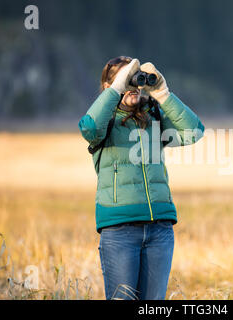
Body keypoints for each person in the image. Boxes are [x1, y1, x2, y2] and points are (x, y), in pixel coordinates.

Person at [78, 56, 205, 300]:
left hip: (160, 227)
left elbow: (194, 132)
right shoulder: (105, 123)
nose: (132, 87)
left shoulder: (154, 117)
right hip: (119, 230)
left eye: (134, 80)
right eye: (125, 80)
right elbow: (89, 128)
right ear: (108, 87)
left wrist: (164, 93)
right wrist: (117, 89)